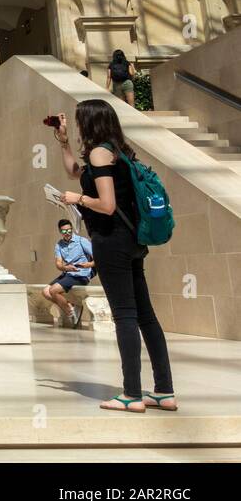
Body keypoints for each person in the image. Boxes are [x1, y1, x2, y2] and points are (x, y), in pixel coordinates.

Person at [50, 98, 176, 413]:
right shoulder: (116, 151)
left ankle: (131, 394)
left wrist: (76, 199)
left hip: (111, 242)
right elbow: (75, 173)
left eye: (79, 121)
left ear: (90, 121)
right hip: (131, 240)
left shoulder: (98, 152)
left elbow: (105, 204)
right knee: (145, 315)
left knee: (125, 315)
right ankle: (164, 391)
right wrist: (63, 142)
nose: (77, 125)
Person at [41, 218, 94, 327]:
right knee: (45, 292)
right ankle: (72, 308)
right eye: (64, 231)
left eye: (69, 230)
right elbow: (58, 264)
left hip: (81, 274)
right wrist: (66, 267)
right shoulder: (59, 245)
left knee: (54, 290)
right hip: (68, 273)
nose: (67, 233)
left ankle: (71, 314)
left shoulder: (81, 241)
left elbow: (98, 258)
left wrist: (88, 265)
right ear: (60, 232)